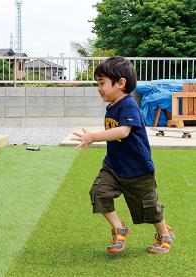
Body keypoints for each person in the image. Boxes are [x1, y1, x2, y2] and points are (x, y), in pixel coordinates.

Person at [72, 56, 174, 254]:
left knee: (149, 209)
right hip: (114, 167)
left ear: (120, 83)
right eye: (97, 83)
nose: (99, 88)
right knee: (99, 193)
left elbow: (123, 131)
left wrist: (93, 137)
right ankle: (119, 229)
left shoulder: (128, 104)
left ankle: (164, 234)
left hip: (138, 170)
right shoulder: (112, 106)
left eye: (102, 83)